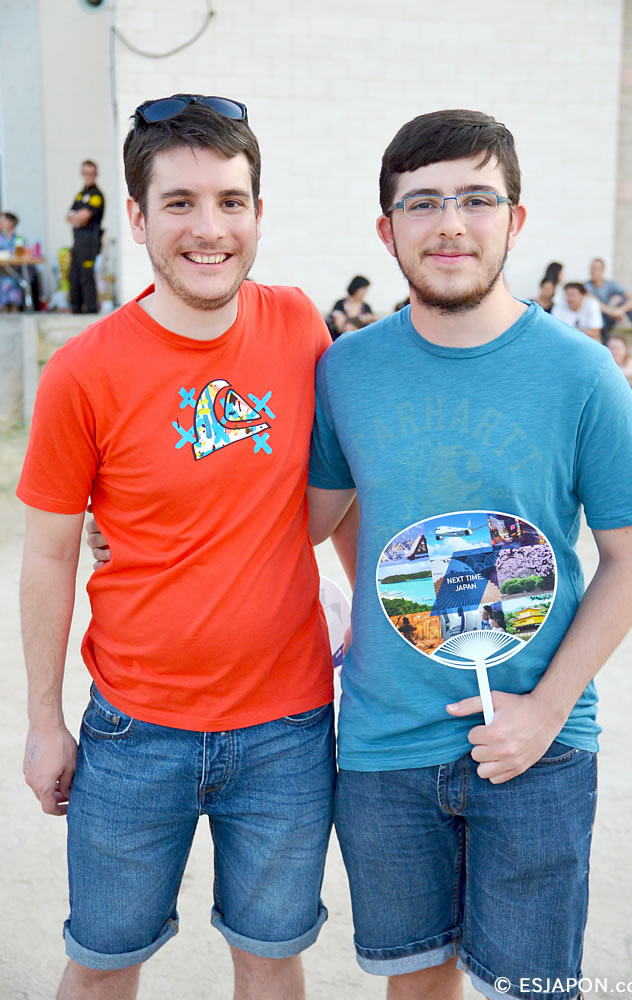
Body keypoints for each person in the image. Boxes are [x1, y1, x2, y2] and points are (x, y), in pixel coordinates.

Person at [306, 109, 632, 1000]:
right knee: (416, 985)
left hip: (538, 746)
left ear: (516, 218)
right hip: (385, 744)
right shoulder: (346, 370)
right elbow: (320, 513)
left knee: (532, 988)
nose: (451, 224)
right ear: (387, 230)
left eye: (476, 198)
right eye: (422, 202)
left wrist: (547, 708)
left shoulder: (583, 374)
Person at [18, 95, 341, 1000]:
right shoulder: (83, 370)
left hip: (287, 731)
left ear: (259, 213)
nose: (210, 228)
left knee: (271, 959)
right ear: (136, 217)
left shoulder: (301, 327)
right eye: (180, 203)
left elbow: (338, 488)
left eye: (231, 201)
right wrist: (44, 722)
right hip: (134, 733)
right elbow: (48, 555)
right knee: (100, 965)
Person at [585, 256, 632, 346]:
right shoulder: (585, 286)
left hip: (609, 316)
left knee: (626, 301)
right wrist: (613, 312)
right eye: (591, 268)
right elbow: (595, 303)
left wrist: (620, 310)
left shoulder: (610, 284)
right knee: (595, 310)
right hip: (597, 318)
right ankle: (604, 337)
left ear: (602, 270)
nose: (593, 271)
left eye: (596, 268)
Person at [66, 159, 104, 314]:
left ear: (96, 174)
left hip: (90, 242)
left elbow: (83, 217)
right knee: (73, 276)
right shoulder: (80, 195)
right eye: (86, 173)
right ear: (82, 174)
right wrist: (76, 218)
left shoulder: (96, 195)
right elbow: (68, 216)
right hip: (77, 242)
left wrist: (76, 218)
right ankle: (76, 309)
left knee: (86, 277)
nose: (88, 176)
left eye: (91, 173)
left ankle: (90, 310)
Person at [327, 274, 376, 339]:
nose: (365, 292)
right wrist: (362, 319)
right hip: (341, 339)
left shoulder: (366, 307)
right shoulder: (340, 304)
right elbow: (341, 328)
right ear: (356, 288)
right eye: (364, 289)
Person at [0, 211, 25, 310]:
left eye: (4, 220)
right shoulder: (1, 239)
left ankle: (15, 309)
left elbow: (22, 255)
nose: (2, 222)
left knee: (13, 285)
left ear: (12, 222)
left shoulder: (18, 239)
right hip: (2, 272)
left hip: (14, 272)